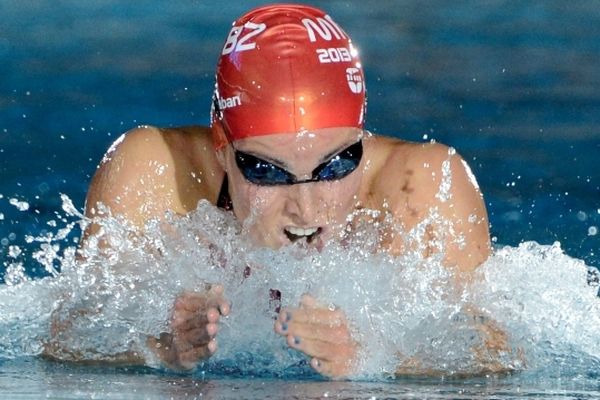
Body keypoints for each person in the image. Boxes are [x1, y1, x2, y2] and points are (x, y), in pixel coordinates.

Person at [45, 4, 498, 378]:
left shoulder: (422, 184)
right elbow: (67, 337)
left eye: (335, 165)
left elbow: (494, 356)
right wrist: (162, 348)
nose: (306, 210)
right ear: (222, 146)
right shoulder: (155, 171)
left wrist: (369, 359)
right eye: (266, 171)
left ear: (362, 140)